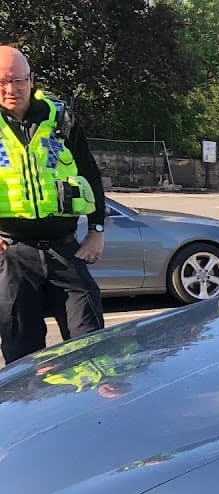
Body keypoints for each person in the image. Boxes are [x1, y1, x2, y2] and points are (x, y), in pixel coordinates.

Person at [0, 45, 105, 365]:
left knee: (92, 349)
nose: (10, 89)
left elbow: (90, 174)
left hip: (65, 250)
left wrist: (97, 230)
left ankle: (95, 409)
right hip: (14, 254)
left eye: (17, 80)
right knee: (22, 359)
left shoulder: (61, 119)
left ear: (31, 80)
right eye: (1, 82)